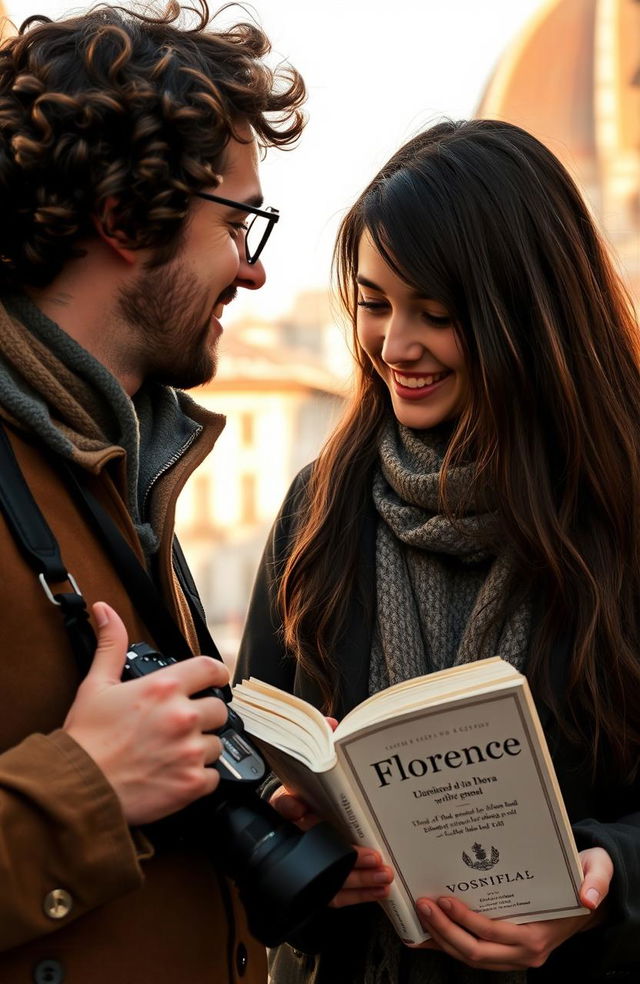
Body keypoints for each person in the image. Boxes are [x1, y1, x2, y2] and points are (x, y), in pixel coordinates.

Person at [234, 118, 640, 984]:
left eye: (438, 314)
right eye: (374, 303)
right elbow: (249, 758)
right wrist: (290, 829)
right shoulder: (319, 505)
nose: (394, 346)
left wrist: (610, 882)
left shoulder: (624, 511)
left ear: (528, 315)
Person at [0, 2, 305, 981]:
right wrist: (84, 787)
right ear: (127, 220)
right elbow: (96, 790)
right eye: (239, 221)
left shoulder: (125, 452)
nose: (254, 270)